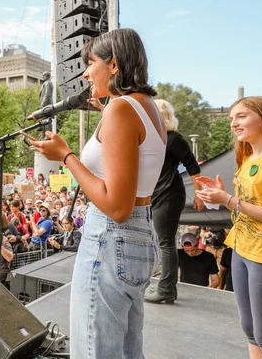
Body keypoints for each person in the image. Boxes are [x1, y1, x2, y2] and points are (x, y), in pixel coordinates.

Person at [27, 29, 166, 358]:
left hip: (111, 234)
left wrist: (65, 156)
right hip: (139, 234)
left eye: (90, 63)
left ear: (114, 65)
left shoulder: (120, 110)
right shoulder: (149, 108)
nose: (86, 73)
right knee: (128, 350)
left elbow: (117, 206)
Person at [195, 96, 262, 359]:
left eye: (241, 116)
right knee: (250, 330)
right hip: (241, 250)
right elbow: (247, 207)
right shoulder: (248, 159)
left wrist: (228, 199)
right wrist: (222, 195)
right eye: (231, 119)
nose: (233, 124)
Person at [144, 99, 204, 304]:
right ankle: (166, 287)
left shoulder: (173, 139)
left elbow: (193, 167)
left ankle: (167, 289)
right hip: (158, 194)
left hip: (169, 194)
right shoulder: (154, 139)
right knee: (163, 241)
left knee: (166, 242)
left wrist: (198, 194)